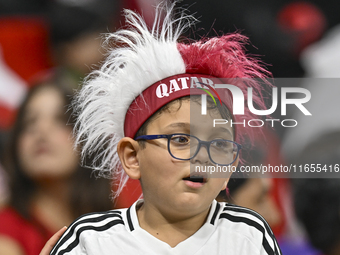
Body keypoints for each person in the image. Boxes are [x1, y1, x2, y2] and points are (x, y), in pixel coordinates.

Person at [48, 3, 282, 255]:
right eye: (181, 139)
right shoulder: (90, 240)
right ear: (132, 156)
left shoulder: (249, 235)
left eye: (219, 145)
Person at [0, 78, 113, 255]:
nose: (41, 130)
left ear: (86, 140)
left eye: (60, 120)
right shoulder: (6, 228)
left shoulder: (114, 224)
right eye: (29, 122)